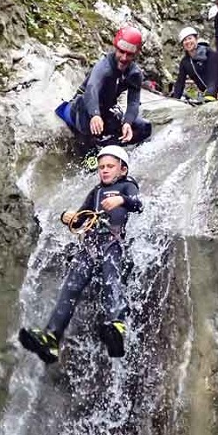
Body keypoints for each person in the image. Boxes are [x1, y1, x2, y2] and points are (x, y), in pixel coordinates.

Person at [18, 146, 143, 363]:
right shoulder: (95, 192)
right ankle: (52, 338)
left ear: (122, 170)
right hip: (90, 246)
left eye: (110, 166)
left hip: (112, 244)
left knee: (111, 282)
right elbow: (81, 218)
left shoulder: (127, 186)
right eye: (101, 167)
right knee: (70, 288)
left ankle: (117, 326)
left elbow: (138, 205)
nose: (104, 170)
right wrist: (68, 217)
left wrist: (121, 200)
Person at [57, 27, 153, 167]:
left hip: (106, 111)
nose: (124, 58)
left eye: (129, 54)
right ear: (115, 48)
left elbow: (133, 102)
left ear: (136, 54)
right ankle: (89, 153)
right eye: (121, 52)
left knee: (144, 127)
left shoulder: (134, 73)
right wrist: (95, 115)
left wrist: (127, 122)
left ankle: (110, 147)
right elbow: (91, 90)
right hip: (80, 110)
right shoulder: (104, 66)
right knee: (86, 107)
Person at [170, 26, 218, 101]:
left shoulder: (209, 53)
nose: (188, 42)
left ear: (196, 39)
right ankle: (204, 98)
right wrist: (175, 100)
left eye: (190, 38)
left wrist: (216, 90)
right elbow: (180, 82)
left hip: (217, 91)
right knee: (189, 91)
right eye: (185, 40)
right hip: (205, 94)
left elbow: (215, 75)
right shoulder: (185, 62)